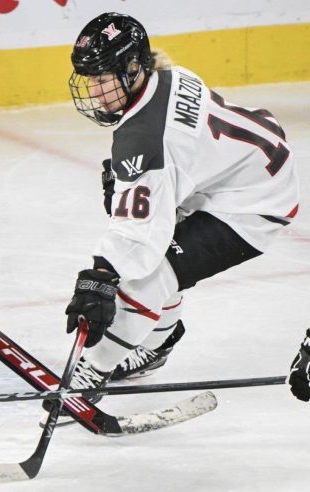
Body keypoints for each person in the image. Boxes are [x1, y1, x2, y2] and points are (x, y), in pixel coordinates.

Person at [61, 12, 301, 396]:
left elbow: (138, 238)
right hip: (242, 170)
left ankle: (91, 375)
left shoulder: (145, 140)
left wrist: (102, 275)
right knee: (161, 251)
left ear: (133, 67)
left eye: (102, 79)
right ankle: (156, 345)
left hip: (254, 201)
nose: (93, 91)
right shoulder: (166, 75)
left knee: (149, 277)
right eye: (89, 79)